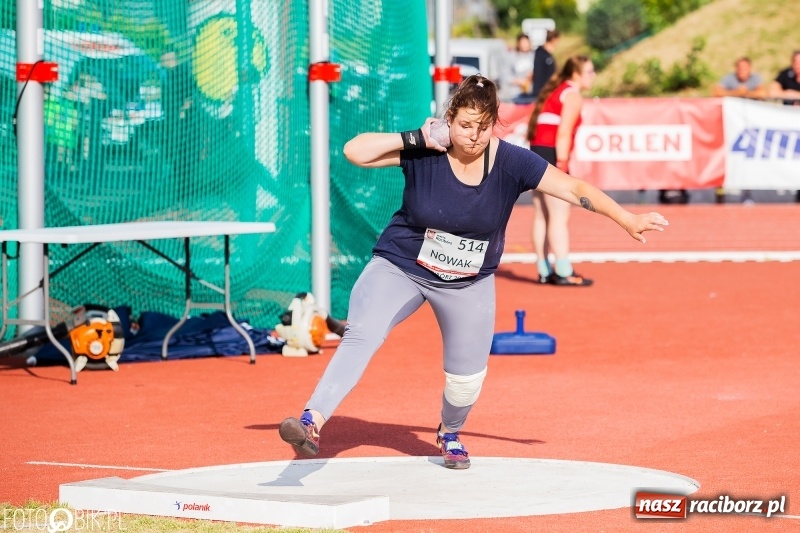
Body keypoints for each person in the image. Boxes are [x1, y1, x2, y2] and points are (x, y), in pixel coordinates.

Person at [278, 74, 669, 470]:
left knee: (465, 381)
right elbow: (354, 152)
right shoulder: (427, 149)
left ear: (495, 122)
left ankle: (449, 432)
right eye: (465, 125)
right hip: (402, 265)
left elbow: (571, 188)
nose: (473, 136)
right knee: (362, 334)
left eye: (483, 127)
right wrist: (416, 137)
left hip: (468, 282)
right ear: (449, 118)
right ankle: (312, 420)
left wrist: (625, 217)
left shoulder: (513, 162)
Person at [527, 56, 597, 286]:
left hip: (537, 152)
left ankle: (544, 269)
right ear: (576, 74)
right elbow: (564, 132)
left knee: (541, 215)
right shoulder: (572, 94)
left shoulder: (556, 90)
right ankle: (564, 271)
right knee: (559, 215)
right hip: (551, 154)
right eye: (589, 71)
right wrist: (563, 164)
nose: (592, 76)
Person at [499, 33, 534, 103]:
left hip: (531, 94)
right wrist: (518, 81)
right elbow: (504, 75)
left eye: (526, 42)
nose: (525, 45)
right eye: (523, 43)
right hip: (515, 95)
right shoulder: (512, 56)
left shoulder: (533, 55)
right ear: (518, 43)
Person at [531, 29, 560, 99]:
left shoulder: (547, 55)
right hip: (541, 91)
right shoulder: (540, 54)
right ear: (554, 39)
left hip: (547, 90)